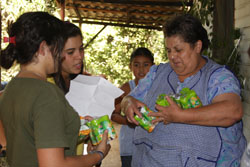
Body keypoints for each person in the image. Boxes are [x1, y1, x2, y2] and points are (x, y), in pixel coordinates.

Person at [121, 14, 246, 166]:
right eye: (168, 50)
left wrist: (179, 115)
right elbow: (128, 99)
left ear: (197, 47)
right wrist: (128, 104)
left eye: (178, 50)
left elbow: (232, 111)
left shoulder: (218, 77)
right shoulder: (156, 73)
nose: (172, 56)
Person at [0, 11, 110, 167]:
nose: (62, 56)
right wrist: (97, 155)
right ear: (43, 48)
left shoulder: (13, 87)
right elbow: (54, 164)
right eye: (60, 47)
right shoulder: (47, 94)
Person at [111, 47, 154, 167]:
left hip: (152, 143)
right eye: (136, 65)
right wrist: (127, 121)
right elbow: (113, 113)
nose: (141, 69)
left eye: (146, 64)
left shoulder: (156, 87)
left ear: (153, 66)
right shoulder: (126, 88)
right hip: (129, 145)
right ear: (130, 66)